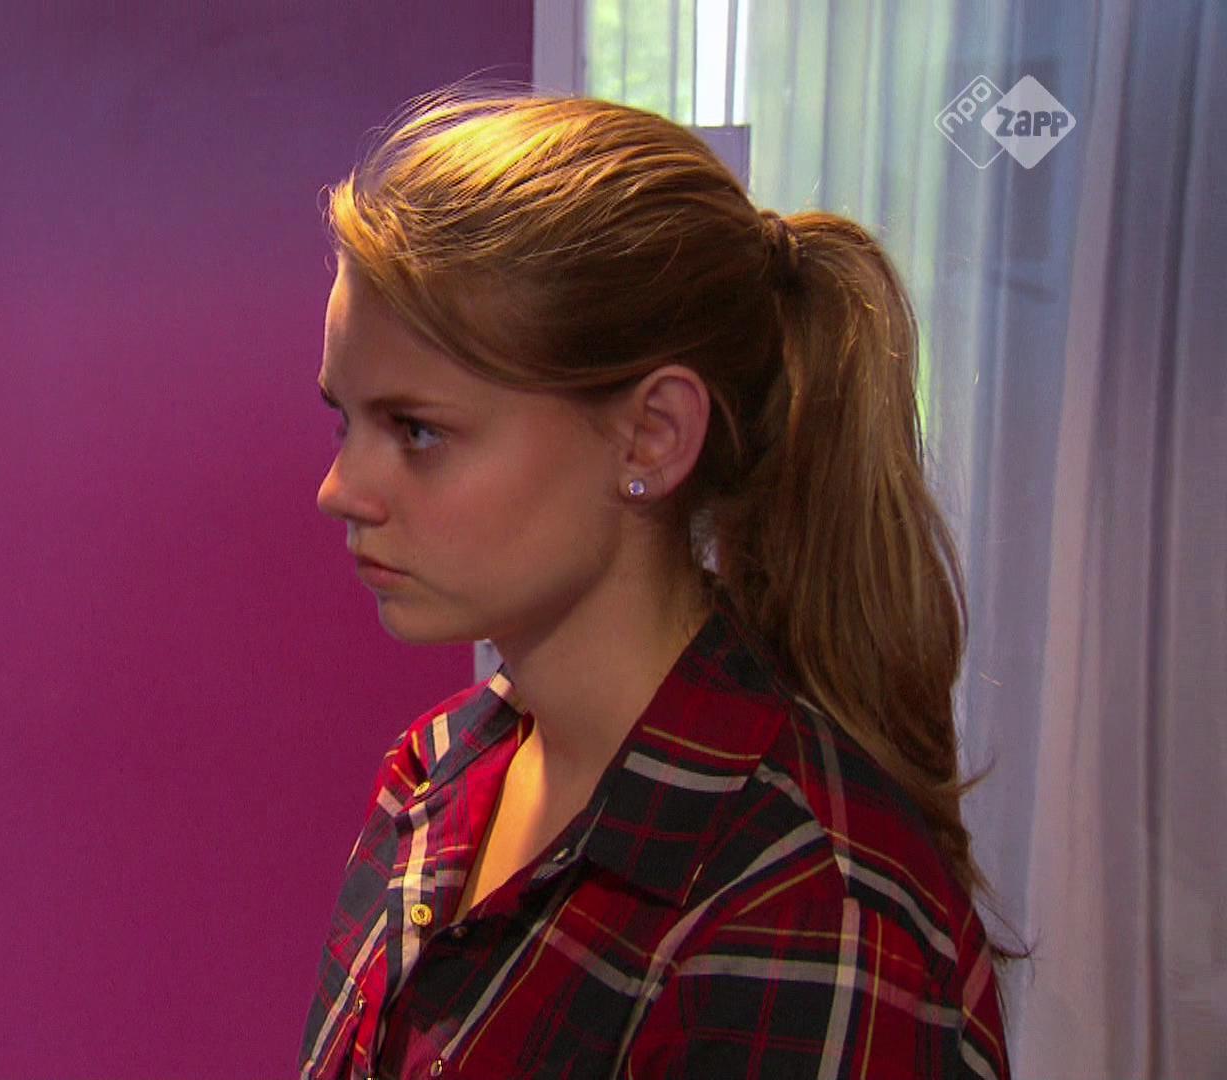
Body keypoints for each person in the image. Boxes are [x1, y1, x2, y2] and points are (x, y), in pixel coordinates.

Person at [298, 86, 1013, 1080]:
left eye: (417, 430)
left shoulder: (800, 915)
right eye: (347, 421)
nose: (340, 490)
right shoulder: (434, 779)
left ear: (652, 436)